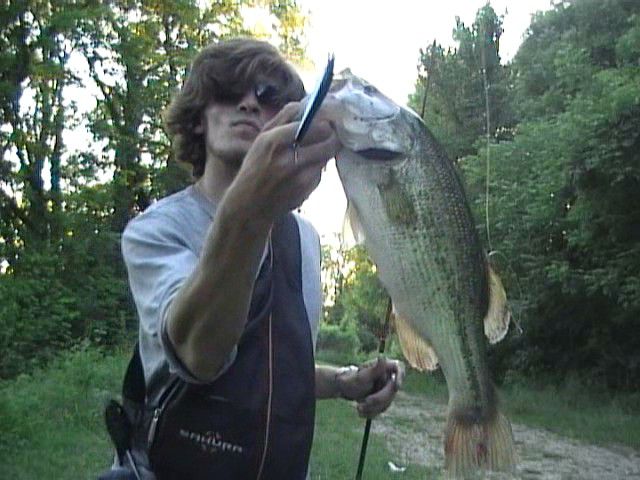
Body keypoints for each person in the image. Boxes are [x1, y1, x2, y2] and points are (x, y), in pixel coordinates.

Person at [116, 38, 404, 479]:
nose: (249, 103)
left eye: (269, 97)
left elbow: (266, 372)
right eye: (230, 91)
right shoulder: (156, 230)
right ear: (198, 119)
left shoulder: (305, 239)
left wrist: (344, 381)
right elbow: (200, 356)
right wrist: (249, 210)